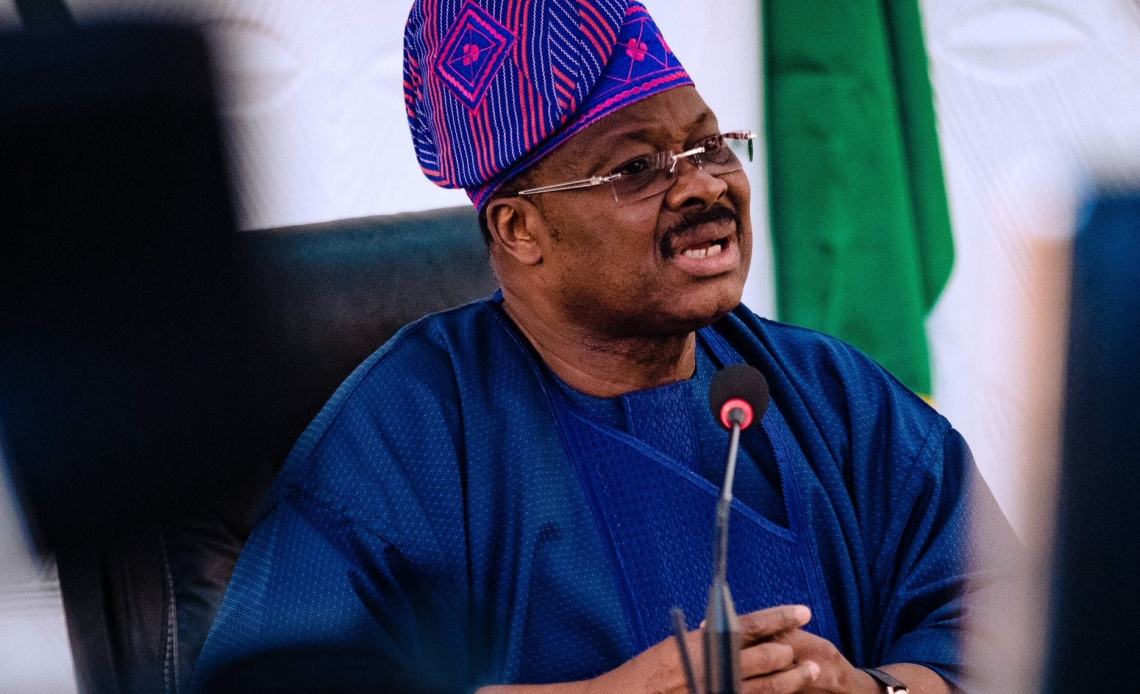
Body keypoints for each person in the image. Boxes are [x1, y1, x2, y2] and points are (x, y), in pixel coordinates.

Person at [196, 1, 1013, 692]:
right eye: (637, 169)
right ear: (520, 229)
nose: (705, 185)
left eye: (710, 146)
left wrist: (870, 688)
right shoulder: (405, 438)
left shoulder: (833, 398)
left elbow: (1017, 631)